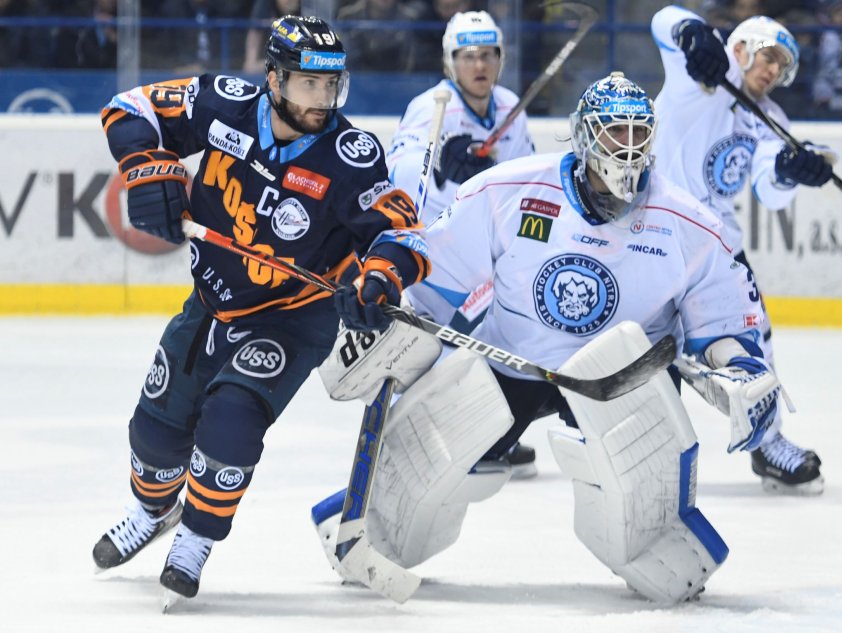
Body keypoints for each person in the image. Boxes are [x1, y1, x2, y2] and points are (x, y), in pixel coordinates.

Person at [321, 73, 784, 602]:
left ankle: (658, 538)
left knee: (649, 518)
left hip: (621, 380)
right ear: (585, 135)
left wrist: (741, 370)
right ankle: (377, 522)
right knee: (425, 465)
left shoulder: (688, 223)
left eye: (639, 132)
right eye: (615, 131)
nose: (629, 146)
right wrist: (386, 283)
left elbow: (721, 323)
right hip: (511, 361)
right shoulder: (510, 190)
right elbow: (436, 265)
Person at [91, 15, 429, 602]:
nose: (322, 99)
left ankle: (195, 536)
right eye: (308, 83)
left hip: (292, 317)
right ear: (274, 79)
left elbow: (400, 233)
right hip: (211, 302)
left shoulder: (350, 155)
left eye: (331, 85)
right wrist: (146, 166)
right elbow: (129, 107)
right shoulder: (224, 104)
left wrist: (378, 277)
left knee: (231, 421)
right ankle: (152, 511)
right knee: (154, 432)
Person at [650, 5, 832, 494]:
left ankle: (767, 442)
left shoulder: (769, 117)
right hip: (652, 230)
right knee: (641, 341)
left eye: (782, 65)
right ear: (741, 48)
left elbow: (769, 190)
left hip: (716, 243)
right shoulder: (700, 75)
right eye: (768, 56)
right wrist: (690, 32)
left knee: (756, 337)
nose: (772, 70)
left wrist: (789, 171)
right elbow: (663, 19)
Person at [387, 9, 537, 476]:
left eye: (488, 54)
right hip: (436, 256)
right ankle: (421, 438)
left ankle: (492, 431)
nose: (479, 64)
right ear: (449, 61)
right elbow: (401, 174)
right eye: (468, 55)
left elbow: (528, 182)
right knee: (452, 347)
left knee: (510, 338)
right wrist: (442, 168)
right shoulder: (432, 107)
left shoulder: (509, 107)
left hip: (487, 255)